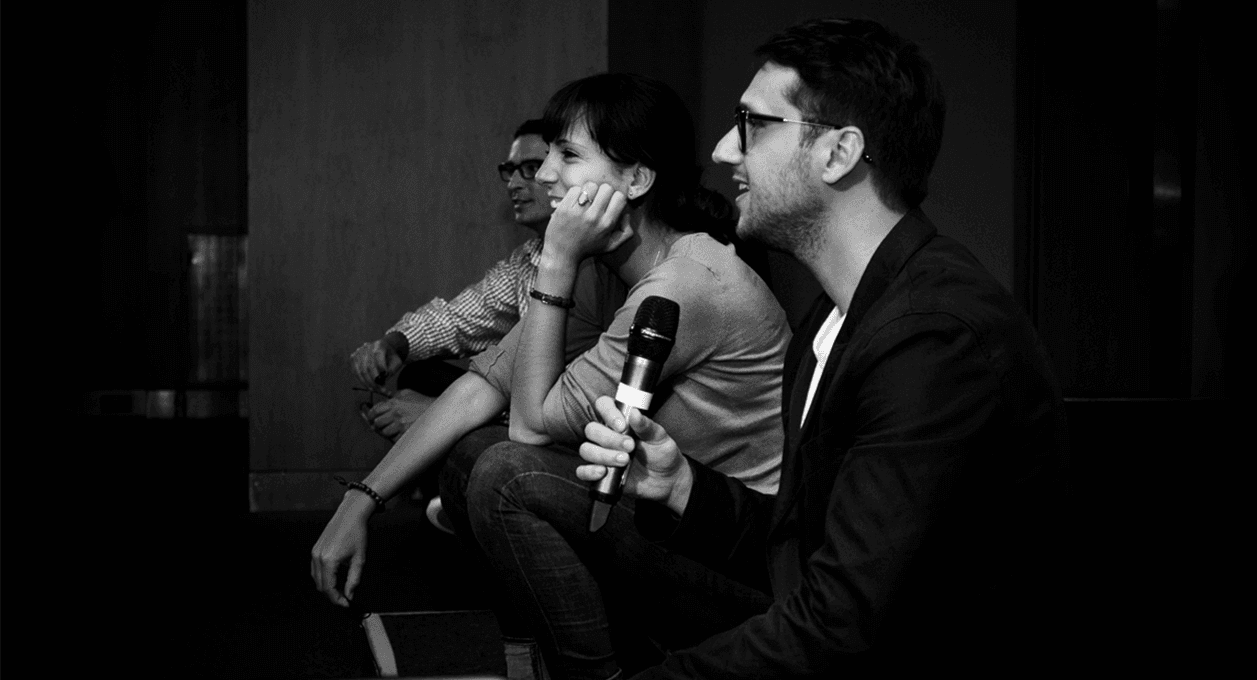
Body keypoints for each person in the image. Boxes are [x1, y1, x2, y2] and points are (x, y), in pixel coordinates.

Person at [575, 18, 1070, 678]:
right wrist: (681, 487)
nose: (724, 151)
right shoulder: (831, 321)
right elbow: (809, 553)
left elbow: (840, 627)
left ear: (837, 154)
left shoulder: (934, 337)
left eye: (753, 124)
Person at [447, 73, 792, 679]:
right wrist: (363, 499)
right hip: (672, 518)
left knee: (503, 472)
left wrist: (556, 258)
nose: (545, 173)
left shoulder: (683, 286)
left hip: (744, 569)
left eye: (568, 155)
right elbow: (495, 380)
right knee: (469, 453)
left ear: (636, 180)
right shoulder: (621, 269)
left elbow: (529, 429)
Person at [350, 119, 560, 442]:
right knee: (419, 373)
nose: (513, 184)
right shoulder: (527, 259)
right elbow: (456, 320)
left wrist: (438, 414)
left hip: (556, 427)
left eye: (531, 167)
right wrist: (394, 345)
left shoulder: (591, 265)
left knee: (446, 407)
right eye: (510, 170)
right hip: (520, 407)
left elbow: (564, 399)